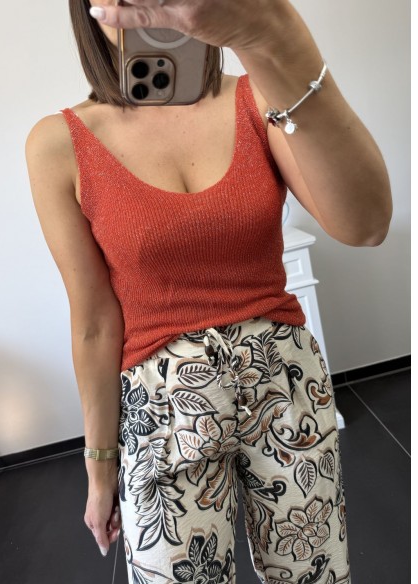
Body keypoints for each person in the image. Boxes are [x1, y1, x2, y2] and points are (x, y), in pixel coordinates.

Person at [25, 1, 392, 582]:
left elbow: (366, 224)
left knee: (315, 575)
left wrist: (273, 36)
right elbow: (93, 321)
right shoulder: (59, 143)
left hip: (285, 387)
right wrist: (100, 469)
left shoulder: (259, 95)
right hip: (161, 413)